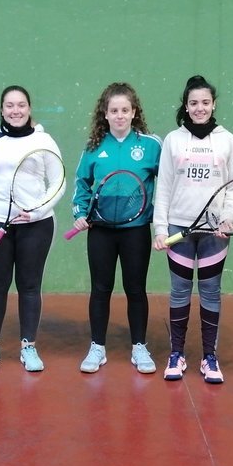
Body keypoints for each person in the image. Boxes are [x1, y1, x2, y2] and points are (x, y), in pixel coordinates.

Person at [153, 75, 233, 384]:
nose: (200, 108)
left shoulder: (227, 140)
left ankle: (209, 358)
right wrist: (160, 228)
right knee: (179, 291)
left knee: (210, 292)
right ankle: (176, 354)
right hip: (179, 226)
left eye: (205, 102)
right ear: (186, 106)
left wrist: (228, 218)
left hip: (214, 232)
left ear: (213, 105)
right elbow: (163, 186)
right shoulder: (173, 140)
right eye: (194, 103)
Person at [71, 82, 162, 374]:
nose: (120, 115)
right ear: (105, 114)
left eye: (125, 110)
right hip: (101, 230)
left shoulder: (151, 145)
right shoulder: (94, 147)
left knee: (136, 289)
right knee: (101, 289)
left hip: (136, 229)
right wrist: (80, 212)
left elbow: (169, 182)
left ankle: (139, 347)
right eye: (114, 110)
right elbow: (82, 183)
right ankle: (97, 346)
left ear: (134, 112)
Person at [0, 85, 65, 373]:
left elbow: (58, 182)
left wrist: (37, 210)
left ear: (29, 108)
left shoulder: (44, 141)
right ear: (1, 109)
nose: (16, 111)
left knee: (30, 285)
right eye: (10, 106)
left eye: (21, 105)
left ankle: (29, 347)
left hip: (36, 225)